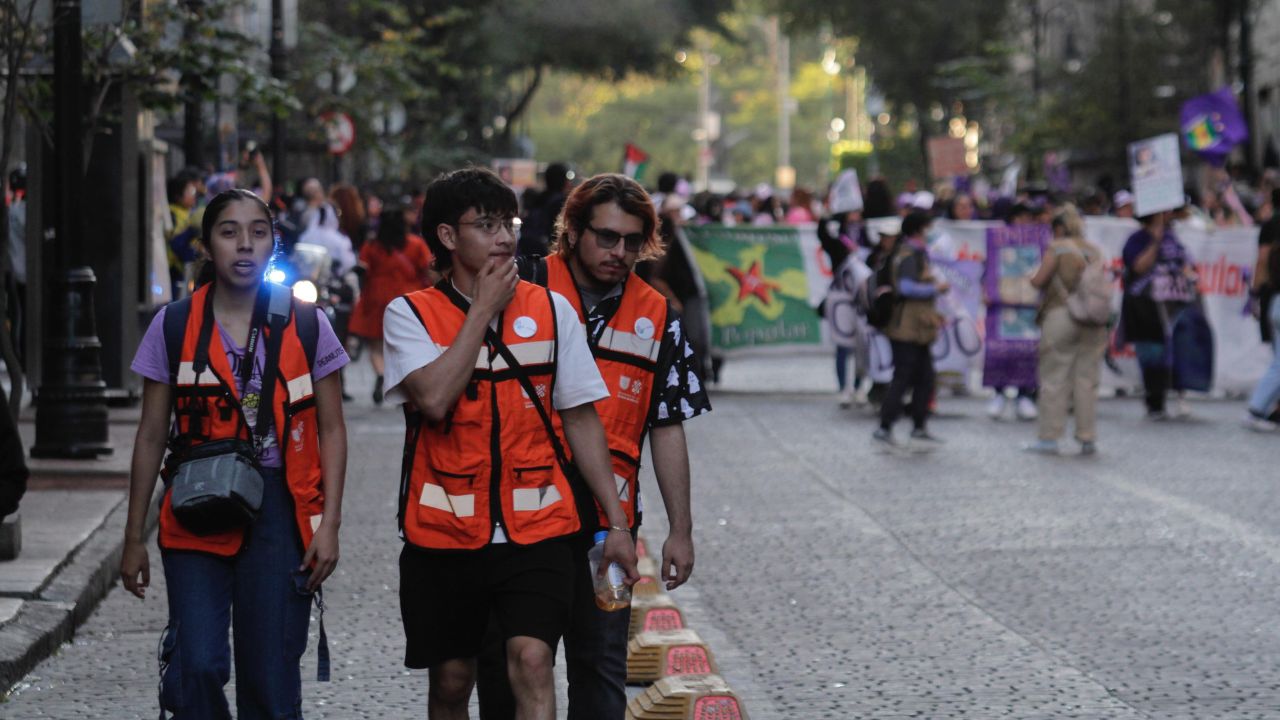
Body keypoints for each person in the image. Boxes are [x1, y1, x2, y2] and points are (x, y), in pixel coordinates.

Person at [381, 167, 638, 720]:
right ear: (448, 237)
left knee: (531, 661)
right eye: (487, 224)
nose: (505, 237)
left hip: (539, 532)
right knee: (452, 682)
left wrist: (617, 525)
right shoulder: (410, 315)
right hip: (444, 537)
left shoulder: (551, 309)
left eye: (510, 223)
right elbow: (433, 400)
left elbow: (581, 419)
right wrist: (480, 313)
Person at [476, 173, 710, 719]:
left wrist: (681, 529)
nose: (620, 252)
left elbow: (667, 425)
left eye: (632, 241)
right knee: (508, 664)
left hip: (608, 527)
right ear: (574, 230)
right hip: (517, 520)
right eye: (607, 237)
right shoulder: (518, 286)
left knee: (601, 665)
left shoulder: (658, 317)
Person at [120, 189, 349, 718]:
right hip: (196, 502)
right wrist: (132, 537)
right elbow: (151, 434)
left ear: (274, 243)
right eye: (229, 232)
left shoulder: (307, 324)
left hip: (279, 511)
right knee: (196, 664)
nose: (245, 245)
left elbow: (332, 430)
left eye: (258, 232)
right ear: (205, 246)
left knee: (270, 680)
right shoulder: (174, 325)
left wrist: (329, 524)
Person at [1024, 205, 1109, 455]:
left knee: (1054, 377)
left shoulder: (1057, 248)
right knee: (1087, 379)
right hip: (1092, 318)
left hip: (1061, 314)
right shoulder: (1094, 251)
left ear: (1058, 228)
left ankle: (1049, 437)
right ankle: (1087, 436)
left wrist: (1031, 275)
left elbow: (1038, 280)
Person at [873, 211, 948, 448]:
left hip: (917, 325)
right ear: (919, 229)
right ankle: (885, 425)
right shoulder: (909, 255)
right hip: (906, 325)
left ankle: (918, 424)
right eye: (928, 227)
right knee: (903, 377)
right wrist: (935, 289)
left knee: (925, 376)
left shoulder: (911, 252)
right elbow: (905, 288)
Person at [348, 203, 434, 404]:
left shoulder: (371, 246)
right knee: (406, 345)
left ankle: (380, 375)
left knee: (376, 346)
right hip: (409, 298)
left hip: (377, 298)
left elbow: (363, 269)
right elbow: (427, 269)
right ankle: (405, 384)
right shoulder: (415, 244)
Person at [1120, 211, 1198, 420]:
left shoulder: (1173, 239)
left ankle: (1172, 395)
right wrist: (1155, 242)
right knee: (1151, 353)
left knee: (1173, 353)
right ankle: (1154, 401)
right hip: (1143, 306)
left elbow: (1187, 264)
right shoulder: (1136, 240)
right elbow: (1138, 266)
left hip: (1171, 305)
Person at [1245, 188, 1280, 430]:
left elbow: (1262, 260)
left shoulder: (1270, 226)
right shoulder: (1271, 228)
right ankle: (1257, 409)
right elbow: (1263, 259)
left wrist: (1255, 292)